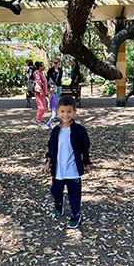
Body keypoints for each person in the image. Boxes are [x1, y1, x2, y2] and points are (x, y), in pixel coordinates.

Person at [44, 95, 91, 228]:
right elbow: (51, 148)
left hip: (73, 169)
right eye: (62, 111)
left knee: (74, 194)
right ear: (58, 112)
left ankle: (76, 214)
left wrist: (87, 163)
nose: (65, 114)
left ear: (74, 112)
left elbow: (85, 148)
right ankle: (58, 204)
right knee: (55, 191)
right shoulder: (55, 131)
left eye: (69, 111)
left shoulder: (79, 131)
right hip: (58, 169)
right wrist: (48, 161)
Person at [33, 61, 48, 125]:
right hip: (39, 93)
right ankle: (38, 119)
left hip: (43, 93)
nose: (44, 67)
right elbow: (38, 82)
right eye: (42, 66)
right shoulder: (37, 73)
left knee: (43, 106)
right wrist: (40, 91)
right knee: (41, 107)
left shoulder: (41, 73)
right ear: (39, 67)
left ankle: (39, 119)